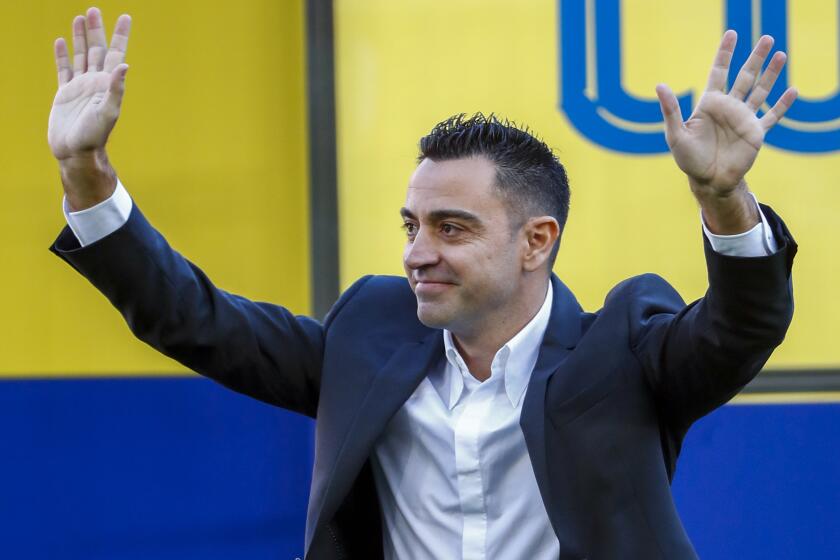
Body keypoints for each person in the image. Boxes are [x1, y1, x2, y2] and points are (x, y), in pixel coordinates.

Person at [48, 7, 798, 560]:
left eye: (452, 228)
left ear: (537, 242)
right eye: (412, 225)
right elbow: (194, 319)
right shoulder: (370, 330)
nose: (418, 252)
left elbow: (741, 329)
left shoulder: (623, 349)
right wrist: (87, 174)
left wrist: (723, 199)